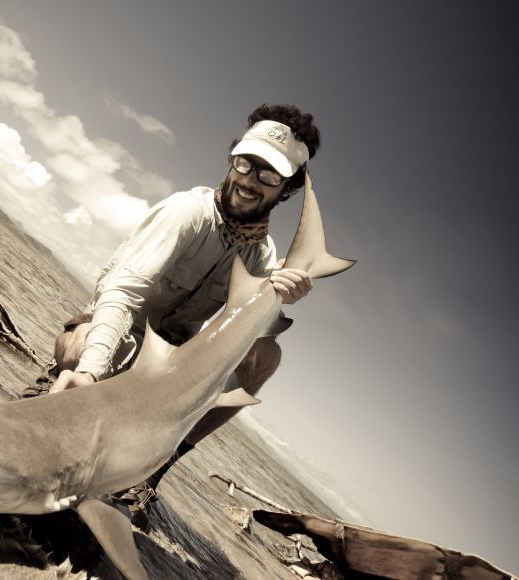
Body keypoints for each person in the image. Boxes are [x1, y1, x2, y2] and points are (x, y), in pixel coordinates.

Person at [30, 103, 319, 530]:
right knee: (77, 349)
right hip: (117, 333)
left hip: (171, 358)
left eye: (269, 174)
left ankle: (158, 464)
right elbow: (122, 292)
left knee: (265, 355)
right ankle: (65, 384)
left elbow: (232, 335)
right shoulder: (187, 212)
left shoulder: (262, 256)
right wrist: (90, 371)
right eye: (245, 162)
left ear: (286, 189)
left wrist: (277, 301)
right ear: (232, 158)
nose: (249, 180)